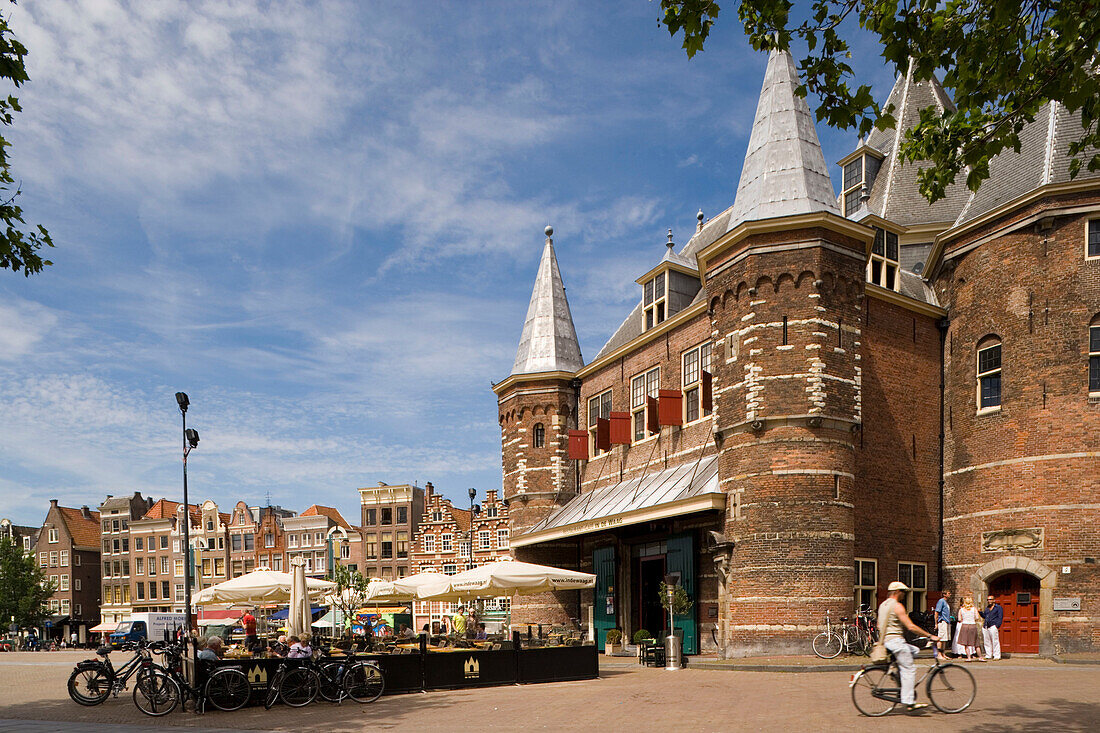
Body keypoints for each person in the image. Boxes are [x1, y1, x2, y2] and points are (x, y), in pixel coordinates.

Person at [878, 580, 939, 712]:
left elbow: (879, 625)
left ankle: (899, 676)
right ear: (897, 592)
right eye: (903, 592)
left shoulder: (883, 605)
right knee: (910, 669)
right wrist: (929, 636)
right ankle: (909, 701)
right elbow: (910, 626)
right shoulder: (897, 606)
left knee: (915, 650)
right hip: (896, 642)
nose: (905, 595)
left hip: (887, 641)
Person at [956, 596, 985, 661]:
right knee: (976, 643)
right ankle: (980, 657)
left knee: (966, 643)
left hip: (965, 625)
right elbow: (977, 617)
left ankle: (969, 657)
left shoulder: (961, 609)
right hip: (973, 625)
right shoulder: (974, 609)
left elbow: (959, 619)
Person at [979, 594, 1003, 660]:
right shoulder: (987, 608)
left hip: (993, 626)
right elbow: (985, 616)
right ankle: (988, 654)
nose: (989, 601)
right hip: (986, 626)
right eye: (988, 600)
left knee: (995, 641)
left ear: (994, 600)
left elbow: (1000, 617)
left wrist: (997, 626)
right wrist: (981, 613)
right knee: (986, 641)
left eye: (990, 599)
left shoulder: (998, 608)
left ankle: (997, 655)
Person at [934, 589, 953, 656]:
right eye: (948, 593)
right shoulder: (941, 601)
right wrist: (936, 623)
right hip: (942, 622)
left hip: (947, 622)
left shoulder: (946, 602)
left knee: (945, 639)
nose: (950, 594)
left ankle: (943, 653)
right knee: (941, 638)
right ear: (944, 594)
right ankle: (939, 654)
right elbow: (936, 612)